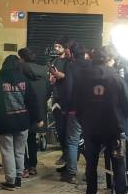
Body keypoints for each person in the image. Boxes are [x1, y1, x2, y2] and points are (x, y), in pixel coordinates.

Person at [75, 46, 128, 194]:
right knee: (118, 163)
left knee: (91, 164)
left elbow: (76, 104)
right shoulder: (116, 78)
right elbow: (127, 106)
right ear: (109, 59)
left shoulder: (82, 77)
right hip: (113, 127)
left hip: (91, 128)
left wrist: (84, 121)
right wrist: (121, 120)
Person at [0, 55, 42, 190]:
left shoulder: (0, 81)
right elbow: (33, 101)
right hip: (22, 122)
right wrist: (39, 118)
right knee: (19, 152)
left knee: (7, 152)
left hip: (5, 122)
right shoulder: (25, 81)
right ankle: (18, 178)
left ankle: (10, 180)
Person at [59, 42, 89, 183]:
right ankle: (90, 172)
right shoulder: (91, 65)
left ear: (72, 53)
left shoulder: (71, 66)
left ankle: (71, 173)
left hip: (75, 109)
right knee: (89, 141)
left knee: (72, 141)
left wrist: (65, 107)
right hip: (90, 109)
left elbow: (68, 88)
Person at [18, 48, 50, 177]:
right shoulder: (43, 71)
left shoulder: (20, 69)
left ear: (23, 58)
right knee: (32, 139)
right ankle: (32, 165)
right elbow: (48, 90)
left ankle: (24, 166)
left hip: (24, 109)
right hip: (38, 111)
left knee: (21, 140)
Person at [49, 38, 71, 167]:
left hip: (67, 100)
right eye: (55, 46)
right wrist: (52, 78)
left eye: (58, 46)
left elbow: (70, 77)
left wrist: (60, 75)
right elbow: (52, 77)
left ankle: (71, 157)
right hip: (56, 98)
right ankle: (65, 154)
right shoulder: (55, 61)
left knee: (69, 131)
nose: (56, 49)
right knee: (60, 129)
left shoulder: (70, 62)